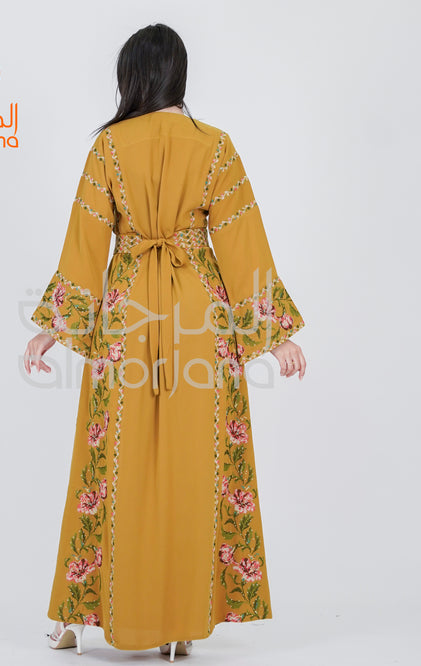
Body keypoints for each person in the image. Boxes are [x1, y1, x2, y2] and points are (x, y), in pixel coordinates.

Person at [23, 22, 306, 661]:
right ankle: (181, 625)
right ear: (179, 74)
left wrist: (53, 327)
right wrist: (275, 335)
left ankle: (77, 615)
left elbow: (86, 241)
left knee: (109, 463)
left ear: (131, 77)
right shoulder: (216, 146)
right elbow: (241, 241)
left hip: (125, 315)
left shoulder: (109, 146)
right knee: (197, 464)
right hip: (201, 317)